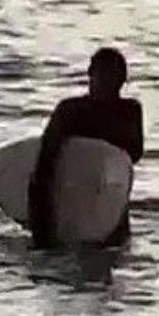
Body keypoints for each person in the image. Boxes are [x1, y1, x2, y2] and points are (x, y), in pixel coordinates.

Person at [28, 47, 143, 248]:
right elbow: (44, 167)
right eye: (103, 77)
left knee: (112, 256)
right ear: (90, 75)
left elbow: (133, 154)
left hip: (110, 205)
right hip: (67, 203)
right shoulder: (70, 111)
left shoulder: (129, 111)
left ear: (122, 82)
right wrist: (42, 230)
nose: (107, 85)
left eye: (112, 79)